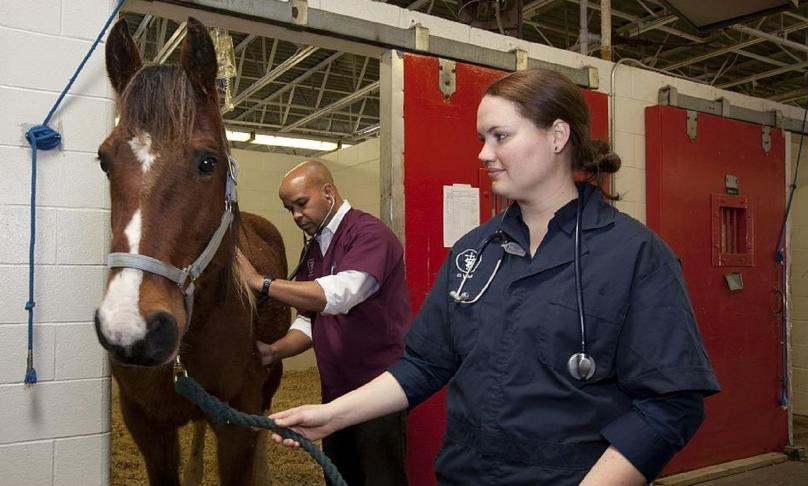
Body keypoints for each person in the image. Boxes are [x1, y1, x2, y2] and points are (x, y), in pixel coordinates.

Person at [266, 69, 720, 485]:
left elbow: (670, 405)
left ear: (557, 135)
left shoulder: (634, 255)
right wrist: (333, 416)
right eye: (483, 138)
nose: (484, 154)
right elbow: (425, 364)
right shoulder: (474, 251)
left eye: (500, 136)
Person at [235, 160, 411, 486]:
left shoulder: (369, 234)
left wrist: (262, 282)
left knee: (381, 477)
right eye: (290, 209)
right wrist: (273, 352)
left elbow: (342, 294)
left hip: (378, 390)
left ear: (328, 192)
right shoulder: (316, 246)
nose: (297, 216)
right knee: (339, 476)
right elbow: (309, 320)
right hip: (335, 391)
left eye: (301, 204)